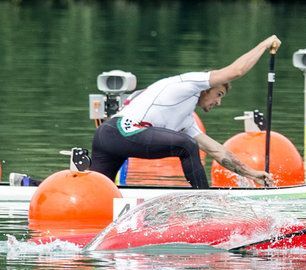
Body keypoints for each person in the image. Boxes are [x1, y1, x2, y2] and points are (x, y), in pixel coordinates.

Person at [90, 35, 281, 188]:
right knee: (186, 145)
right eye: (219, 94)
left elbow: (218, 151)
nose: (219, 102)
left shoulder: (185, 119)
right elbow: (236, 71)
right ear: (208, 87)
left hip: (106, 137)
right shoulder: (188, 84)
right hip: (120, 131)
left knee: (99, 192)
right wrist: (264, 45)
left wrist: (252, 173)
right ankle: (204, 205)